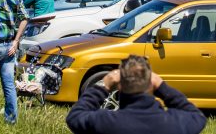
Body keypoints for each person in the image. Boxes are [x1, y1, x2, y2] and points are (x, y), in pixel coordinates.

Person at [66, 55, 206, 134]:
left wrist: (104, 84)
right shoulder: (173, 123)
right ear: (152, 83)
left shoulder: (105, 122)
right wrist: (162, 87)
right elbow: (197, 116)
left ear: (119, 85)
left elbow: (75, 116)